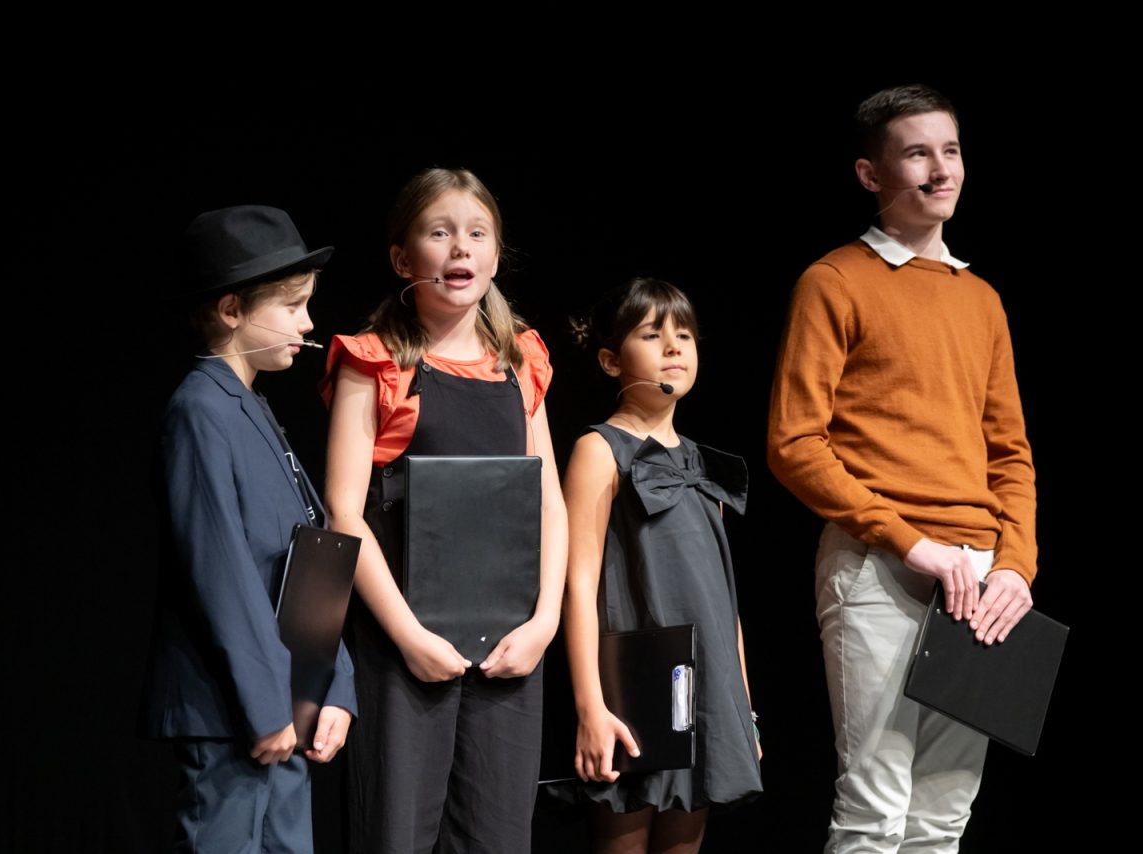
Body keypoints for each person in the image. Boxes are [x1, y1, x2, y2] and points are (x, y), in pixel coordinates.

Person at [766, 84, 1038, 853]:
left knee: (945, 817)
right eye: (917, 153)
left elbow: (1010, 453)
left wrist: (1015, 567)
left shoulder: (981, 299)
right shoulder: (835, 281)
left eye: (950, 150)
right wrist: (910, 543)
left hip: (981, 580)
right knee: (874, 811)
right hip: (880, 567)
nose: (941, 169)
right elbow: (794, 442)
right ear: (870, 174)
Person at [322, 167, 568, 854]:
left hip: (509, 650)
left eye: (477, 234)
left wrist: (544, 622)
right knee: (395, 833)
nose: (460, 248)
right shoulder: (376, 363)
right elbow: (344, 512)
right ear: (403, 259)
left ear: (496, 255)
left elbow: (547, 498)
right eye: (439, 232)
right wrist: (409, 638)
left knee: (496, 836)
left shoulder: (520, 361)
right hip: (404, 650)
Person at [140, 204, 356, 852]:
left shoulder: (252, 407)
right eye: (292, 305)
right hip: (234, 709)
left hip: (285, 700)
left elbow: (310, 561)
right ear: (232, 309)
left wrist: (334, 685)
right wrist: (266, 706)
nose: (308, 323)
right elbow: (223, 571)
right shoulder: (200, 409)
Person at [552, 278, 762, 853]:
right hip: (634, 688)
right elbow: (577, 585)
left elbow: (723, 599)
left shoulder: (700, 464)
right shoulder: (600, 450)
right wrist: (591, 707)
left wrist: (742, 708)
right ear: (610, 360)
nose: (674, 347)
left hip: (702, 689)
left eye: (685, 335)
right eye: (652, 335)